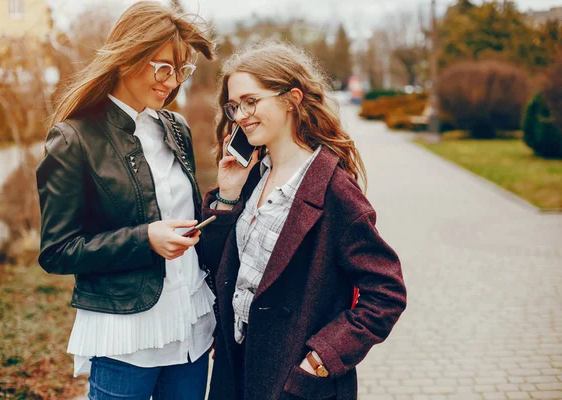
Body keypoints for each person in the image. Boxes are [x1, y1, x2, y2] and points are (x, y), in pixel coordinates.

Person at [201, 42, 407, 400]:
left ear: (291, 99)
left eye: (251, 101)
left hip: (293, 382)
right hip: (236, 370)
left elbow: (386, 291)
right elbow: (216, 266)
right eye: (234, 106)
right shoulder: (250, 177)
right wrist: (228, 195)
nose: (240, 115)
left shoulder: (334, 190)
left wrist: (322, 358)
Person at [35, 2, 216, 399]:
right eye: (163, 67)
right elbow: (57, 251)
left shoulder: (176, 128)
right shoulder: (73, 138)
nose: (172, 81)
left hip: (191, 331)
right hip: (126, 338)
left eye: (180, 70)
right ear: (128, 57)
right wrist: (144, 239)